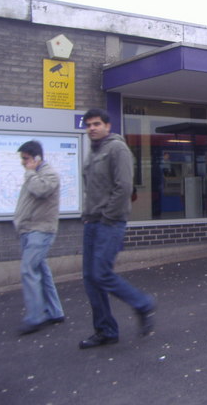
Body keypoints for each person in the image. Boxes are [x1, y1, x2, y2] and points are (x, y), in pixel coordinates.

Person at [79, 108, 156, 349]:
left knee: (101, 273)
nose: (92, 128)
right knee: (91, 278)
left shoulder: (117, 148)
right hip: (92, 222)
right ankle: (105, 331)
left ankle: (142, 304)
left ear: (107, 126)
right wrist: (89, 216)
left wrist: (107, 217)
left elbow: (123, 187)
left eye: (96, 124)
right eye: (89, 124)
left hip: (109, 223)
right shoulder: (93, 152)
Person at [13, 140, 65, 335]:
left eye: (25, 159)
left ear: (36, 158)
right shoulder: (34, 174)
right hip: (29, 229)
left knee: (28, 269)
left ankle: (36, 317)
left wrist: (30, 172)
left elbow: (41, 190)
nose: (23, 163)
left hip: (40, 230)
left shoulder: (48, 174)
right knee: (41, 271)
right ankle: (55, 311)